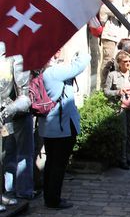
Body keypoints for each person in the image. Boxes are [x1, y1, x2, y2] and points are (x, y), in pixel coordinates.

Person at [39, 52, 90, 208]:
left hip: (51, 127)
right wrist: (77, 54)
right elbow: (81, 63)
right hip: (61, 127)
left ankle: (49, 197)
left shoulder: (43, 72)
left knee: (51, 163)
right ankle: (53, 199)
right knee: (58, 165)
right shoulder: (53, 72)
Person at [0, 48, 34, 207]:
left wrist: (9, 110)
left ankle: (16, 191)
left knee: (13, 155)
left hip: (11, 115)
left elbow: (24, 98)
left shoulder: (16, 57)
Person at [103, 50, 130, 168]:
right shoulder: (113, 75)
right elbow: (106, 91)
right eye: (125, 61)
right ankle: (123, 159)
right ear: (119, 63)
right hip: (120, 107)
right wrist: (117, 92)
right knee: (124, 135)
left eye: (129, 61)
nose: (128, 63)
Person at [98, 0, 128, 88]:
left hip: (112, 37)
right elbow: (120, 11)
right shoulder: (106, 6)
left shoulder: (109, 5)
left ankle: (107, 83)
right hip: (109, 36)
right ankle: (103, 85)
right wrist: (128, 5)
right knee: (107, 61)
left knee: (110, 60)